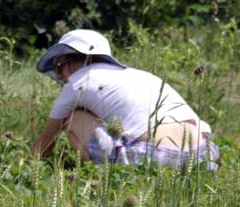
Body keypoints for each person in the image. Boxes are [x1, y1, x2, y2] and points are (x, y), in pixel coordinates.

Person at [33, 29, 219, 170]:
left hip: (155, 157)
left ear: (72, 62)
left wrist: (26, 167)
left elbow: (44, 144)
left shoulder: (78, 82)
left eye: (59, 68)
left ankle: (103, 176)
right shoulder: (137, 75)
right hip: (204, 154)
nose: (59, 77)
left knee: (74, 119)